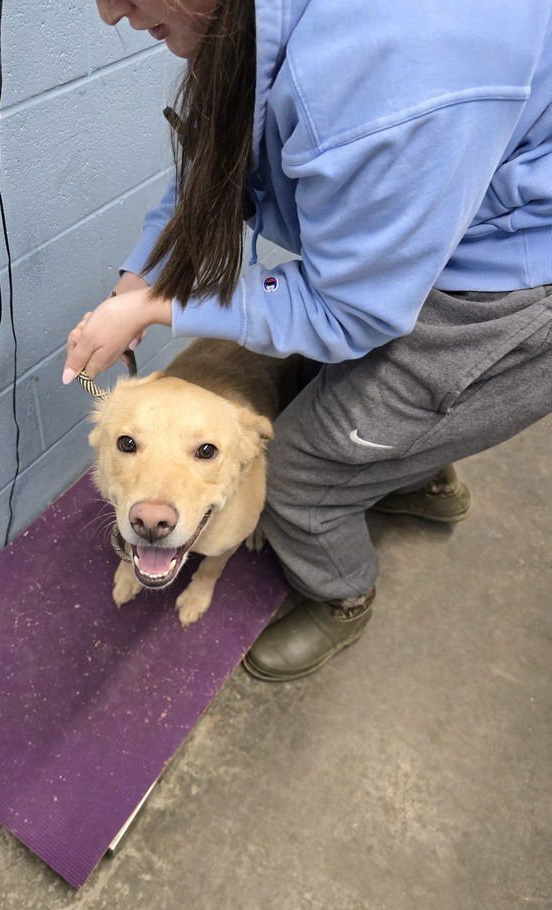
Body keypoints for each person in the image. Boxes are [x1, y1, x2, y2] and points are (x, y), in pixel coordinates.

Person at [64, 0, 552, 681]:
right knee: (354, 404)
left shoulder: (402, 70)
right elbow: (212, 171)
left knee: (297, 474)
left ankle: (343, 595)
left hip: (507, 288)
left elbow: (347, 310)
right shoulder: (255, 28)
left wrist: (164, 305)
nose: (109, 12)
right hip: (423, 253)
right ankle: (418, 473)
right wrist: (137, 284)